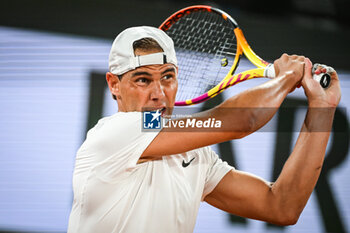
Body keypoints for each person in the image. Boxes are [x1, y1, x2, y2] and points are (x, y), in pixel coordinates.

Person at [67, 26, 341, 233]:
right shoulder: (116, 132)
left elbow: (281, 206)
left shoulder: (197, 156)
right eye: (142, 79)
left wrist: (322, 107)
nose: (158, 93)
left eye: (167, 77)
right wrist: (285, 78)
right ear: (114, 84)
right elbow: (242, 120)